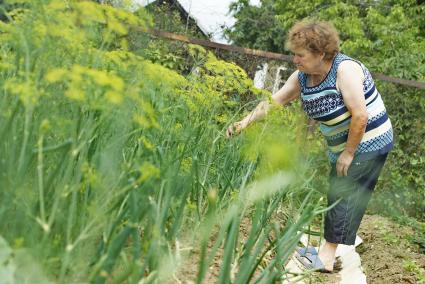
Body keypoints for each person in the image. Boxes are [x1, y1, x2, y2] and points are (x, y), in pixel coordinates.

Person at [226, 20, 393, 272]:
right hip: (343, 145)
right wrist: (244, 122)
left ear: (321, 54)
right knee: (339, 188)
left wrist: (349, 153)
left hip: (369, 140)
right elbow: (275, 101)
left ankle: (326, 256)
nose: (295, 60)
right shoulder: (302, 77)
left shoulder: (344, 71)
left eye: (300, 55)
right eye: (294, 54)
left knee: (343, 190)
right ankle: (331, 247)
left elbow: (360, 115)